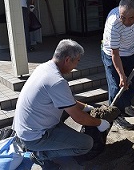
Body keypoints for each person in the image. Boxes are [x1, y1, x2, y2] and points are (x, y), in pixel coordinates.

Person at [12, 39, 110, 169]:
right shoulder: (56, 81)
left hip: (27, 129)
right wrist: (100, 123)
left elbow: (66, 100)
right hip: (35, 137)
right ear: (68, 59)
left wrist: (86, 107)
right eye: (77, 61)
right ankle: (41, 154)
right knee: (86, 144)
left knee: (67, 111)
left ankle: (46, 146)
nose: (77, 65)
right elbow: (78, 118)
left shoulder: (44, 68)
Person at [101, 0, 134, 116]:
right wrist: (121, 75)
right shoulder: (114, 23)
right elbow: (115, 54)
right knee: (116, 86)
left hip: (131, 51)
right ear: (119, 12)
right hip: (112, 54)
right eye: (123, 17)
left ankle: (126, 105)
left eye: (131, 18)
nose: (126, 22)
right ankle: (115, 115)